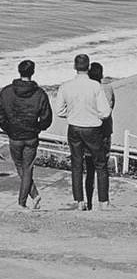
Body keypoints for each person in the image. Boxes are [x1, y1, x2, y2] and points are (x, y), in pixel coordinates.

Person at [55, 54, 112, 210]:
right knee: (100, 164)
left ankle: (79, 201)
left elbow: (59, 111)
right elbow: (105, 112)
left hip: (74, 127)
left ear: (74, 67)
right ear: (88, 67)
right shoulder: (95, 86)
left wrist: (72, 113)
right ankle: (103, 202)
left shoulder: (66, 86)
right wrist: (94, 115)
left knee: (77, 164)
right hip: (92, 128)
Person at [0, 60, 52, 209]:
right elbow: (47, 118)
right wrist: (37, 128)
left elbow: (1, 116)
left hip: (15, 136)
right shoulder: (40, 93)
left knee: (20, 167)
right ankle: (33, 196)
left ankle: (23, 202)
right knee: (27, 168)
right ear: (33, 72)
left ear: (19, 71)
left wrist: (8, 128)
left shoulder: (6, 92)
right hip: (31, 136)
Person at [84, 62, 115, 210]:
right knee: (102, 168)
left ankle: (89, 202)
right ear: (101, 74)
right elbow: (110, 106)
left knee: (89, 170)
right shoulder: (107, 88)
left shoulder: (87, 89)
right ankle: (104, 201)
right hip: (104, 132)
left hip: (89, 131)